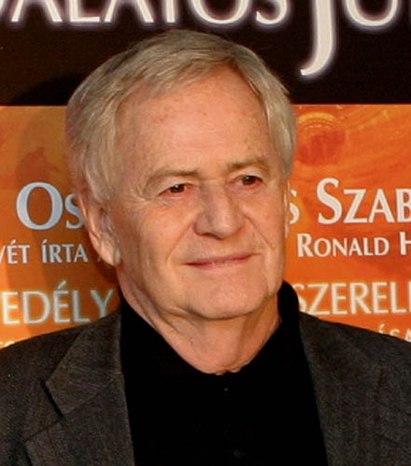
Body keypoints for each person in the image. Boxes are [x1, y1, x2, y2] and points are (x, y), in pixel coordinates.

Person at [0, 29, 410, 466]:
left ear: (285, 195)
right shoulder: (12, 409)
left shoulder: (400, 387)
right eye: (177, 188)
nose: (223, 221)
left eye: (247, 179)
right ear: (103, 226)